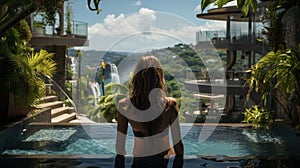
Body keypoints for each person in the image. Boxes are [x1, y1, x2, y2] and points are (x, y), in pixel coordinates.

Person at [115, 55, 184, 168]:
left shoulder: (125, 106)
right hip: (164, 160)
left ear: (136, 78)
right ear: (159, 78)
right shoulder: (170, 105)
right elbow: (179, 147)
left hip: (139, 162)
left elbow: (120, 148)